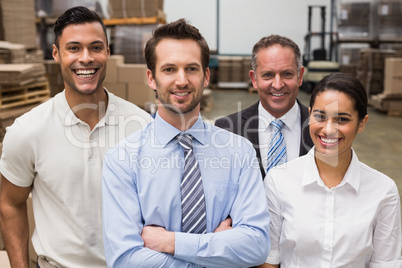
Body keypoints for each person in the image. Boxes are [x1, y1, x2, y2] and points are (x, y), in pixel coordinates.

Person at [102, 18, 271, 267]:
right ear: (151, 78)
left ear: (206, 76)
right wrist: (215, 251)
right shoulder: (122, 160)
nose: (181, 81)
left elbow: (256, 246)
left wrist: (171, 242)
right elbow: (126, 260)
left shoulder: (240, 152)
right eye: (169, 69)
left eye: (191, 69)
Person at [0, 6, 152, 268]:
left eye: (95, 47)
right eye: (73, 48)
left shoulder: (141, 125)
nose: (86, 58)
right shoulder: (27, 131)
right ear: (56, 54)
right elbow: (10, 203)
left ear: (107, 51)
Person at [261, 73, 402, 267]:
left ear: (362, 123)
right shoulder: (279, 181)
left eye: (342, 119)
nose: (328, 129)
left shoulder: (383, 191)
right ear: (309, 114)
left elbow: (385, 263)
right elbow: (270, 261)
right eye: (320, 116)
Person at [215, 35, 314, 177]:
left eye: (287, 74)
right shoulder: (226, 130)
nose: (278, 85)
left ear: (300, 76)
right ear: (254, 79)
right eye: (268, 75)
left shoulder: (322, 128)